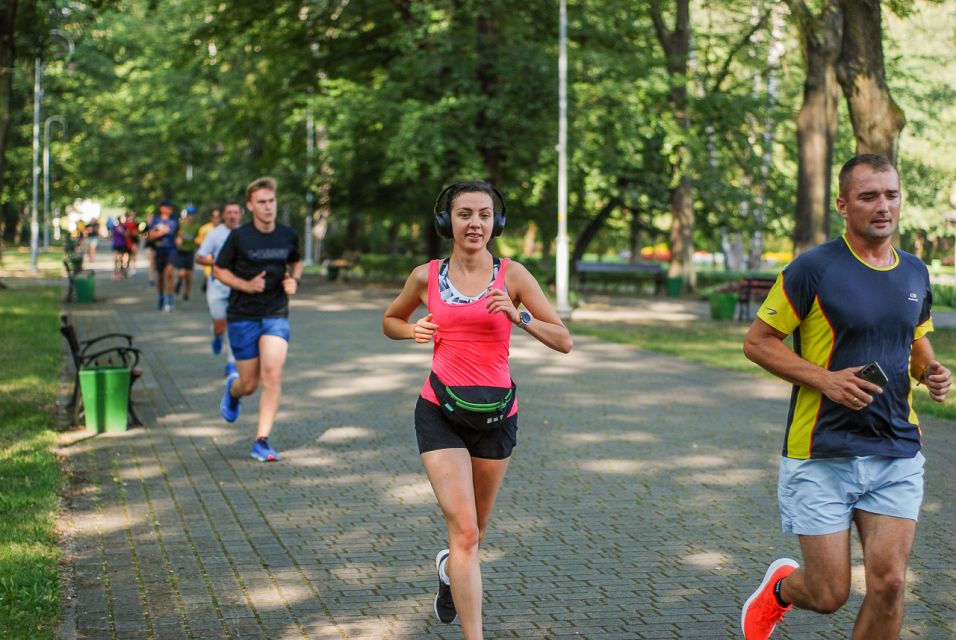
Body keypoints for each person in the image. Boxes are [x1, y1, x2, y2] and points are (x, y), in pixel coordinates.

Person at [740, 154, 952, 640]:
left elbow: (915, 347)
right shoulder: (812, 269)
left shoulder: (916, 273)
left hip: (896, 449)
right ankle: (779, 590)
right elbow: (757, 342)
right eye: (869, 196)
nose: (883, 206)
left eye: (891, 194)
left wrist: (932, 374)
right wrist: (825, 379)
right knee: (829, 593)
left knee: (891, 585)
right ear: (843, 204)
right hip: (822, 451)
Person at [383, 181, 572, 639]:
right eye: (465, 213)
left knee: (474, 535)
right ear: (447, 221)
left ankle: (450, 571)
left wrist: (519, 316)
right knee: (466, 531)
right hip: (439, 411)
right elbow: (391, 320)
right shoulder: (425, 275)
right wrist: (414, 333)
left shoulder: (514, 275)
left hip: (497, 417)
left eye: (485, 214)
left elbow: (564, 340)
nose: (475, 223)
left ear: (496, 222)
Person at [213, 178, 303, 462]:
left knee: (273, 375)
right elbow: (218, 270)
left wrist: (294, 280)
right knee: (249, 384)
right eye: (262, 202)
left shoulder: (288, 235)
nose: (268, 207)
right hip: (243, 315)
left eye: (271, 201)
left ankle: (261, 440)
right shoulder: (240, 236)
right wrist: (245, 285)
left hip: (276, 312)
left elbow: (296, 261)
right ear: (251, 206)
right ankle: (233, 390)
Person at [196, 201, 242, 376]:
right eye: (229, 212)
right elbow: (199, 258)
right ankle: (216, 335)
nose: (232, 216)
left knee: (233, 325)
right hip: (218, 286)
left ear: (240, 215)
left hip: (237, 286)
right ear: (224, 215)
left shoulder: (245, 234)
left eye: (235, 212)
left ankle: (232, 363)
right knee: (220, 326)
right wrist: (217, 262)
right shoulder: (215, 234)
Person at [147, 199, 179, 311]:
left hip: (172, 250)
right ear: (162, 208)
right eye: (167, 207)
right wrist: (162, 232)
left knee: (170, 273)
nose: (169, 210)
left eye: (170, 208)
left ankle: (170, 299)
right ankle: (161, 297)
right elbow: (150, 236)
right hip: (160, 250)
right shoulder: (156, 220)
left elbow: (179, 233)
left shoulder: (174, 220)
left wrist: (180, 240)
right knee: (160, 277)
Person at [175, 206, 201, 301]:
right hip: (181, 251)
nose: (190, 217)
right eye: (189, 215)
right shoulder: (182, 225)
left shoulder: (196, 226)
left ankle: (186, 293)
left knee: (189, 275)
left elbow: (198, 238)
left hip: (190, 252)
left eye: (192, 215)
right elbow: (178, 237)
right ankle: (179, 282)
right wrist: (179, 240)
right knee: (182, 273)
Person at [195, 207, 222, 293]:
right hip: (208, 256)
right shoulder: (204, 228)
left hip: (219, 256)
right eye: (214, 216)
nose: (215, 219)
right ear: (211, 218)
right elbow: (198, 240)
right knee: (208, 273)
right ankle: (207, 284)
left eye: (217, 216)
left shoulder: (224, 229)